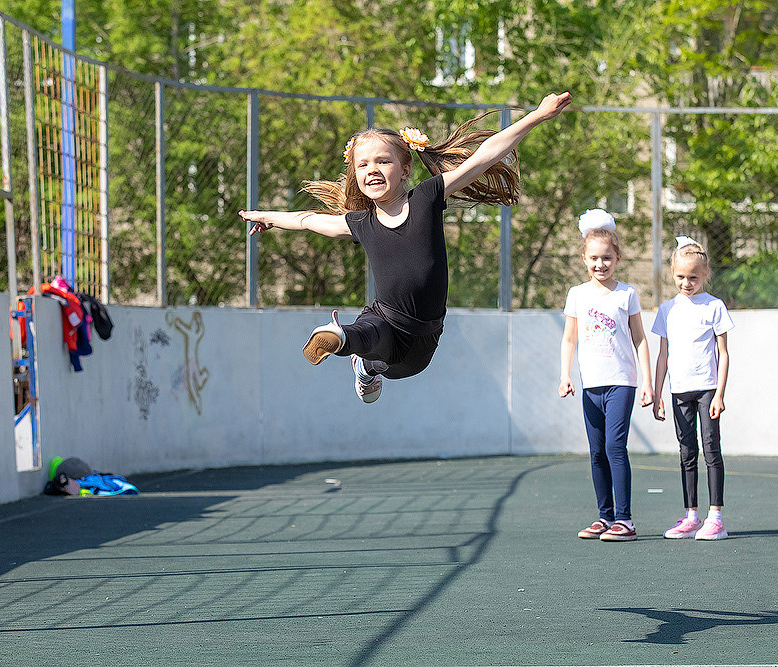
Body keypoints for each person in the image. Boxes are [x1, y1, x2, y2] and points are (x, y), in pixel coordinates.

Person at [240, 93, 573, 403]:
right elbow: (308, 220)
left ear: (405, 169)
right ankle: (339, 339)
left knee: (377, 344)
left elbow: (486, 154)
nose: (372, 169)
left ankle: (362, 364)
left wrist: (537, 116)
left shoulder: (427, 198)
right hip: (385, 321)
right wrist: (268, 217)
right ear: (354, 175)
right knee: (371, 332)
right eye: (363, 165)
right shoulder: (361, 223)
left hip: (421, 344)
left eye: (382, 161)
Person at [558, 209, 654, 542]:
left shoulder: (626, 294)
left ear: (618, 258)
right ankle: (605, 517)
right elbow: (569, 338)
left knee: (615, 447)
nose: (601, 264)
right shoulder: (577, 294)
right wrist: (565, 375)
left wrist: (648, 382)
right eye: (594, 258)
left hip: (621, 382)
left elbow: (640, 338)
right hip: (591, 385)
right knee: (596, 451)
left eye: (607, 258)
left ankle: (625, 520)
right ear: (584, 258)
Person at [651, 237, 734, 540]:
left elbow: (723, 353)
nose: (687, 283)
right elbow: (663, 354)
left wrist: (720, 393)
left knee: (711, 449)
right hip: (679, 391)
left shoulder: (714, 306)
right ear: (672, 273)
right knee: (687, 452)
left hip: (708, 389)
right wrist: (658, 393)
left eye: (694, 277)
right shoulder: (667, 310)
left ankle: (716, 517)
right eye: (681, 277)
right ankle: (691, 516)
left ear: (705, 274)